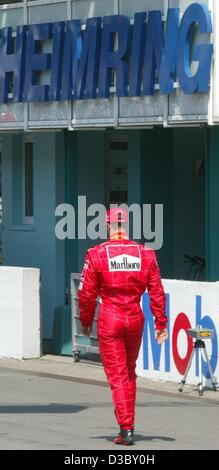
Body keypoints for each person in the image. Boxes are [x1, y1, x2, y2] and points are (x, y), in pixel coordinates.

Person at [78, 208, 168, 446]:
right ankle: (127, 422)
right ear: (126, 226)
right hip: (135, 317)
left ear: (107, 226)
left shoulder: (96, 254)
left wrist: (86, 321)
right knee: (129, 372)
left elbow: (86, 294)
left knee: (118, 375)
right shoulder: (145, 254)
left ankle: (126, 427)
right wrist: (161, 323)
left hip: (111, 318)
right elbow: (157, 291)